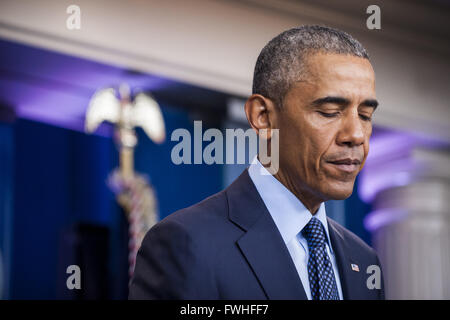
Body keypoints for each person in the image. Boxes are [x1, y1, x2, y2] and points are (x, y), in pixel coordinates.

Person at [129, 25, 385, 300]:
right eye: (329, 112)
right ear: (263, 116)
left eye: (365, 115)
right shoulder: (186, 244)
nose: (356, 135)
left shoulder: (363, 260)